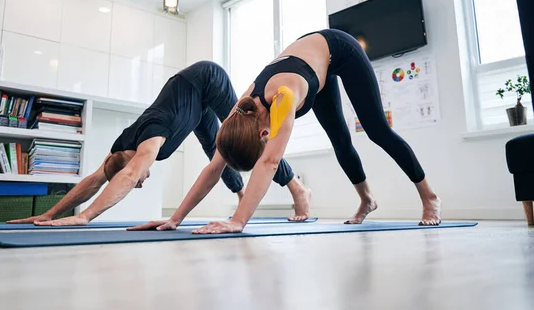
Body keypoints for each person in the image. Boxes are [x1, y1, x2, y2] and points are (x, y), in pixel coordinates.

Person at [189, 29, 441, 234]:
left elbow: (269, 162)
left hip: (339, 49)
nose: (268, 139)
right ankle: (368, 200)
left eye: (263, 141)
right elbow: (214, 167)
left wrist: (238, 221)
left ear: (260, 134)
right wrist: (175, 219)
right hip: (311, 67)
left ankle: (429, 197)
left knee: (377, 131)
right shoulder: (240, 114)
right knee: (340, 141)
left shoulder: (282, 98)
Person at [8, 61, 312, 226]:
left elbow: (126, 176)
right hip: (190, 96)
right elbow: (94, 180)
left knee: (243, 135)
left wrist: (84, 216)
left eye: (136, 178)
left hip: (208, 80)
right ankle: (242, 192)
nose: (139, 181)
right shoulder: (121, 146)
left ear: (133, 163)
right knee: (216, 149)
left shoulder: (150, 140)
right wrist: (50, 213)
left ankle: (296, 187)